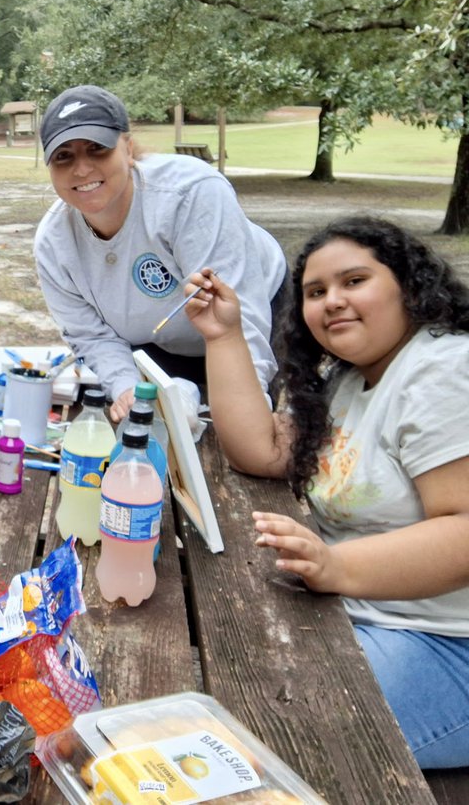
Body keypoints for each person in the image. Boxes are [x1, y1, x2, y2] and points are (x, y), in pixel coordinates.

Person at [185, 216, 469, 769]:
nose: (332, 300)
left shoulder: (444, 371)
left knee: (254, 739)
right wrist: (221, 334)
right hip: (362, 616)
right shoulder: (351, 377)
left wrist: (334, 565)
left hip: (447, 646)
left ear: (409, 284)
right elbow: (263, 450)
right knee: (216, 677)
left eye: (354, 281)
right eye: (315, 292)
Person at [33, 84, 287, 421]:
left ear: (128, 148)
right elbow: (92, 336)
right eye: (64, 156)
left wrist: (247, 410)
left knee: (244, 435)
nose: (81, 169)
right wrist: (125, 389)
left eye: (98, 148)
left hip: (259, 319)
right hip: (159, 344)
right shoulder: (53, 244)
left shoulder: (191, 195)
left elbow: (242, 313)